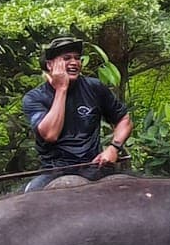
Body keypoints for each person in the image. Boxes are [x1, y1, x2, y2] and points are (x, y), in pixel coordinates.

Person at [20, 37, 132, 191]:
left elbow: (124, 119)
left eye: (77, 58)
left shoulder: (95, 87)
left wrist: (113, 148)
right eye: (66, 58)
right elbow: (50, 134)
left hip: (94, 167)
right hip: (55, 172)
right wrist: (61, 89)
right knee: (27, 203)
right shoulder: (34, 97)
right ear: (50, 65)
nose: (74, 62)